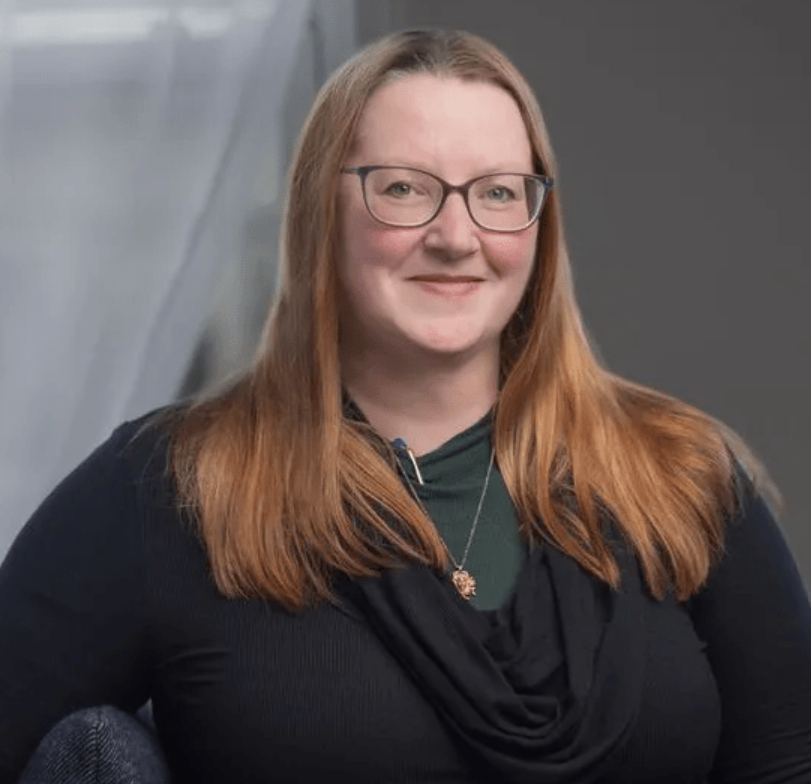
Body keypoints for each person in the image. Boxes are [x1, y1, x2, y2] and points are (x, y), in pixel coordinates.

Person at [1, 28, 810, 784]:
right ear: (323, 210)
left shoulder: (683, 477)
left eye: (496, 193)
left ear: (537, 224)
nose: (457, 236)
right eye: (402, 188)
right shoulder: (174, 487)